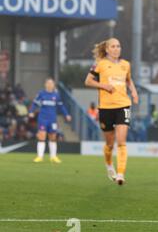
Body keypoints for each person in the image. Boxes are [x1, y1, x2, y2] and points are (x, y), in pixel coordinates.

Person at [84, 38, 139, 185]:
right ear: (107, 49)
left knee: (121, 142)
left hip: (123, 105)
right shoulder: (100, 64)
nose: (116, 49)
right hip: (106, 108)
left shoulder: (125, 64)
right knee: (109, 144)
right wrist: (104, 86)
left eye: (118, 46)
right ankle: (109, 165)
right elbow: (88, 81)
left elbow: (128, 80)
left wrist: (134, 92)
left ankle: (120, 174)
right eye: (113, 46)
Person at [29, 78, 72, 163]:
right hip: (43, 118)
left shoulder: (56, 95)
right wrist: (31, 111)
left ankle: (53, 157)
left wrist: (66, 114)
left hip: (52, 119)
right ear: (45, 84)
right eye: (48, 83)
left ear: (53, 85)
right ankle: (40, 157)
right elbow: (35, 103)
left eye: (51, 83)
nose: (49, 84)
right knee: (42, 136)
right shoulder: (41, 94)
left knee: (53, 137)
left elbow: (61, 106)